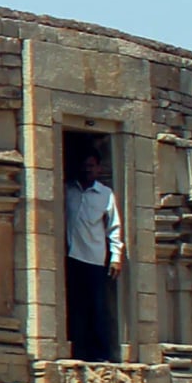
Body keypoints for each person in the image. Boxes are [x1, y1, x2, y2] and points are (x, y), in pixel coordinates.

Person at [64, 140, 124, 361]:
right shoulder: (67, 190)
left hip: (95, 259)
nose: (87, 169)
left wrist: (116, 257)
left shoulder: (105, 194)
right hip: (71, 256)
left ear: (99, 168)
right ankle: (77, 351)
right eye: (84, 165)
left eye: (91, 166)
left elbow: (114, 227)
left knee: (97, 308)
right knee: (75, 307)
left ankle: (100, 354)